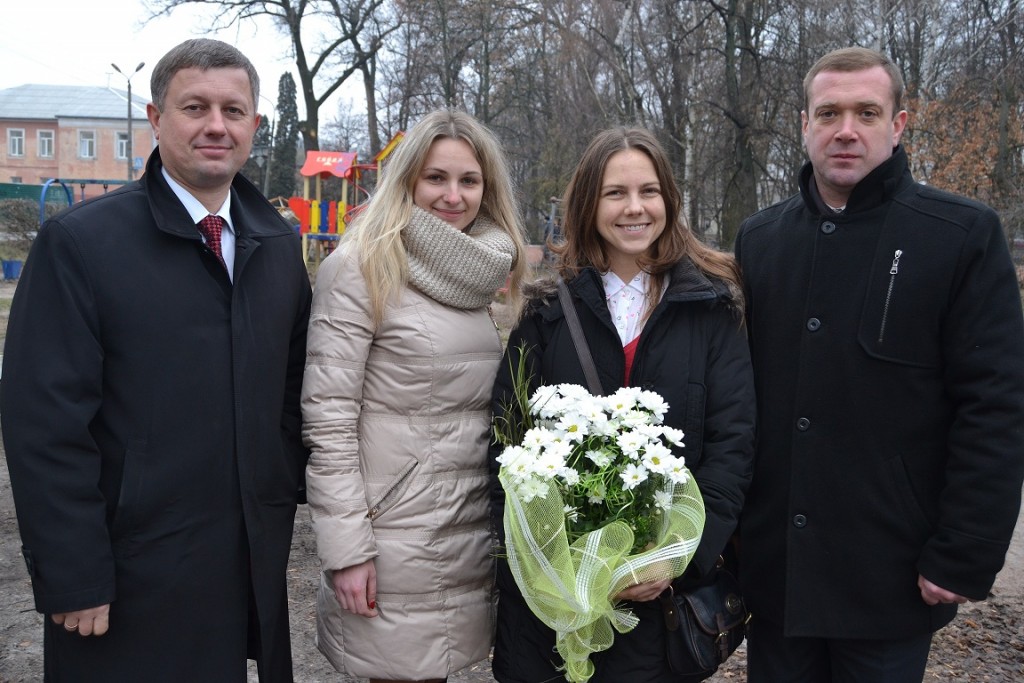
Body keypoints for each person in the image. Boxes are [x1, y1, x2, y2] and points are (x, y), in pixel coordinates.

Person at [0, 39, 311, 681]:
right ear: (156, 118)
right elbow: (44, 424)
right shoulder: (83, 245)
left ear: (255, 124)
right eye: (194, 106)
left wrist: (274, 497)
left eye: (233, 109)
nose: (216, 125)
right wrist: (73, 571)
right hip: (124, 577)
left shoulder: (278, 246)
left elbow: (290, 393)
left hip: (238, 567)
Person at [734, 46, 1024, 682]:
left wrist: (964, 550)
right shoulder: (760, 240)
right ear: (804, 123)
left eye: (867, 112)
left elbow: (996, 406)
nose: (846, 129)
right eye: (829, 112)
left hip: (888, 573)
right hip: (777, 572)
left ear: (897, 125)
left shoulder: (960, 235)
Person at [488, 127, 755, 682]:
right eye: (616, 193)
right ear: (589, 204)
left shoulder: (709, 310)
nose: (634, 208)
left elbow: (733, 444)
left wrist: (675, 559)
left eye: (648, 191)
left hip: (659, 612)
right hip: (552, 613)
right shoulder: (545, 312)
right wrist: (550, 565)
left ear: (669, 201)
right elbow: (505, 442)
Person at [301, 108, 529, 683]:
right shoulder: (360, 267)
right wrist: (347, 550)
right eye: (435, 178)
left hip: (461, 526)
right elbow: (328, 419)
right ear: (406, 180)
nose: (453, 196)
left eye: (469, 181)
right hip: (392, 538)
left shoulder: (473, 272)